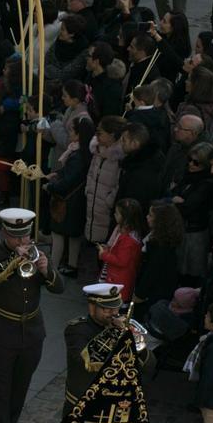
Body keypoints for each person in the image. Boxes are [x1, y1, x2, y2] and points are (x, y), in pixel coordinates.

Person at [0, 208, 64, 423]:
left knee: (19, 387)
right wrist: (13, 260)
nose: (23, 241)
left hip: (32, 334)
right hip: (1, 334)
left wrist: (46, 270)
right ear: (5, 234)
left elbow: (60, 287)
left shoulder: (37, 254)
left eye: (25, 236)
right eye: (17, 237)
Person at [62, 283, 154, 416]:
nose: (114, 313)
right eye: (107, 309)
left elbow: (149, 367)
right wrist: (113, 332)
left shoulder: (119, 328)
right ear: (92, 307)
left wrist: (138, 345)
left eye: (116, 308)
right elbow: (84, 362)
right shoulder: (77, 330)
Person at [45, 117, 94, 278]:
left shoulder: (77, 155)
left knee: (58, 234)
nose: (69, 133)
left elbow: (68, 181)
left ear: (79, 134)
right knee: (74, 236)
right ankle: (72, 266)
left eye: (71, 131)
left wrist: (50, 186)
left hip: (69, 201)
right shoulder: (83, 152)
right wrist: (58, 174)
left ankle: (52, 268)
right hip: (77, 199)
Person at [171, 142, 213, 285]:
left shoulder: (207, 184)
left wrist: (177, 201)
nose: (191, 164)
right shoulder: (188, 177)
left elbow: (188, 206)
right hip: (183, 229)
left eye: (196, 162)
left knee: (191, 272)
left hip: (195, 232)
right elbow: (172, 195)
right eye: (189, 160)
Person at [134, 202, 184, 318]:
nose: (147, 217)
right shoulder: (158, 238)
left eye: (151, 215)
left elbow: (152, 272)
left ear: (161, 221)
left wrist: (140, 294)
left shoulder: (161, 246)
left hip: (153, 294)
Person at [85, 117, 127, 244]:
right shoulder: (98, 150)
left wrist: (109, 200)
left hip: (106, 205)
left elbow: (119, 183)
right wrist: (88, 189)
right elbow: (91, 172)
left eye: (100, 133)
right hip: (93, 200)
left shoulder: (120, 157)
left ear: (112, 135)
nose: (96, 136)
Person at [97, 198, 144, 299]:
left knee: (111, 303)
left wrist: (104, 254)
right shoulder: (126, 232)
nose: (114, 215)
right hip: (116, 276)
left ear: (126, 218)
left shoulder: (128, 239)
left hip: (118, 278)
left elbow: (122, 261)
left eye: (117, 213)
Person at [116, 123, 164, 214]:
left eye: (124, 140)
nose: (121, 143)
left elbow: (132, 206)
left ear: (134, 144)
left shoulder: (141, 172)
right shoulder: (138, 162)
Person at [161, 114, 205, 194]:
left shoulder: (199, 155)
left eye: (180, 128)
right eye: (176, 126)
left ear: (192, 133)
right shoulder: (175, 147)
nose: (175, 129)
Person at [149, 11, 192, 82]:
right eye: (162, 19)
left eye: (164, 22)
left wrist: (156, 36)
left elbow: (175, 59)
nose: (160, 23)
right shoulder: (163, 36)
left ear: (174, 28)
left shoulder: (180, 47)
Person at [126, 84, 170, 153]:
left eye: (134, 100)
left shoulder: (135, 118)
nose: (133, 102)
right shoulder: (160, 114)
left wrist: (130, 113)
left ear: (141, 102)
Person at [44, 16, 89, 82]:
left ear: (72, 34)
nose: (60, 31)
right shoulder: (60, 39)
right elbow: (46, 58)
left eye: (62, 29)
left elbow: (64, 75)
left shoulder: (82, 51)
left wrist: (47, 69)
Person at [85, 42, 123, 118]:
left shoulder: (111, 88)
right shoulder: (90, 74)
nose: (86, 58)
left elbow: (108, 117)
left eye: (88, 56)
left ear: (96, 62)